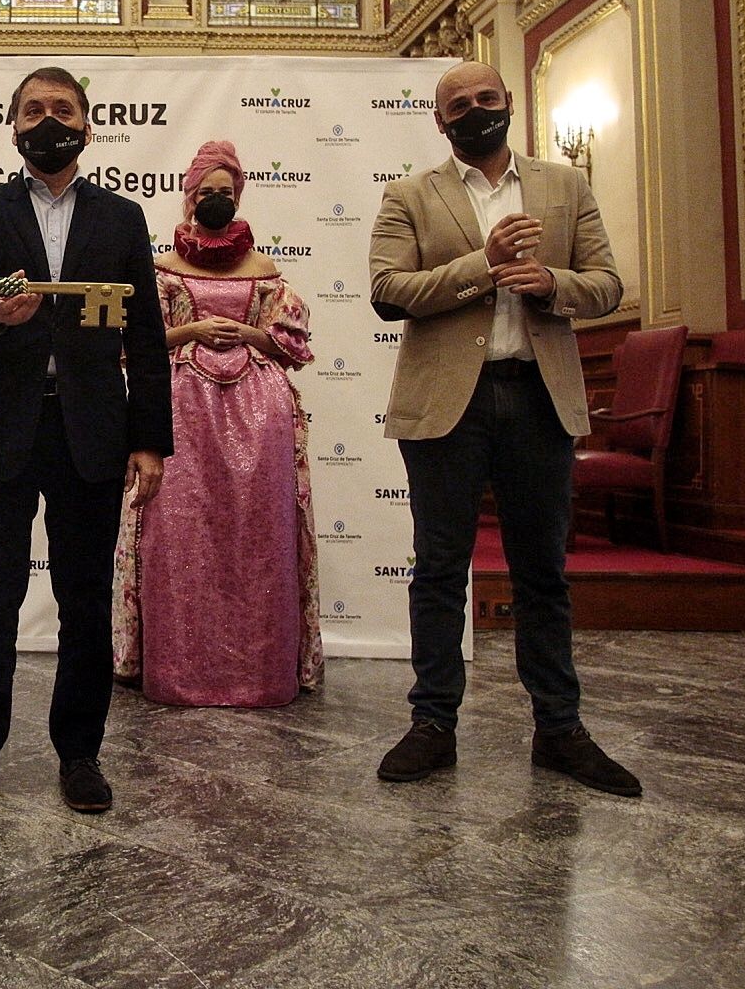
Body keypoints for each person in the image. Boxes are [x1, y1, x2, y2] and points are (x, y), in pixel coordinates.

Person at [368, 59, 640, 797]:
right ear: (439, 120)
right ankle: (432, 724)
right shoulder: (408, 195)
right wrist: (481, 266)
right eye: (458, 103)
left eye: (487, 98)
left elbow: (609, 284)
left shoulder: (565, 186)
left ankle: (560, 728)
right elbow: (388, 293)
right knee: (439, 570)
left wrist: (553, 283)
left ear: (510, 104)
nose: (475, 110)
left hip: (539, 399)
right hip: (447, 407)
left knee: (542, 573)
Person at [0, 66, 172, 815]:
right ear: (15, 127)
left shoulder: (121, 218)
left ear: (88, 127)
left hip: (91, 429)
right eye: (34, 109)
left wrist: (150, 440)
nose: (48, 119)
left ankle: (80, 754)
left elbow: (148, 339)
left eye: (62, 108)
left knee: (85, 601)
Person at [113, 140, 321, 708]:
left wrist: (253, 335)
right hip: (181, 407)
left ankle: (263, 668)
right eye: (206, 192)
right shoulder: (157, 268)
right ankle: (178, 666)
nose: (216, 200)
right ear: (189, 197)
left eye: (225, 193)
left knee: (259, 535)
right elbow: (134, 343)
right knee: (179, 534)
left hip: (261, 412)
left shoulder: (268, 271)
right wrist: (193, 332)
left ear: (240, 196)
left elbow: (293, 344)